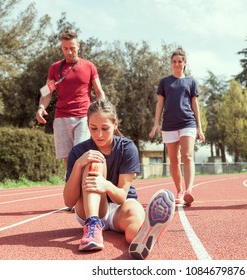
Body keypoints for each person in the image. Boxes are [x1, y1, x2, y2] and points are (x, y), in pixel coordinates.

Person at [64, 99, 175, 259]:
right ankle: (93, 225)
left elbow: (122, 196)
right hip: (90, 210)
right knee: (95, 160)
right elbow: (68, 202)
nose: (99, 134)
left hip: (120, 205)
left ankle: (143, 237)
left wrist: (106, 185)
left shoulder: (127, 148)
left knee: (135, 221)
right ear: (87, 125)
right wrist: (78, 165)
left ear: (115, 125)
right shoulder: (79, 151)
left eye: (105, 128)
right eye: (93, 128)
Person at [36, 29, 105, 169]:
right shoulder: (54, 68)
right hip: (61, 118)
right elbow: (46, 92)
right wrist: (41, 108)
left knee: (81, 155)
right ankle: (71, 187)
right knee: (68, 160)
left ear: (78, 46)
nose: (69, 52)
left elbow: (99, 92)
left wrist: (102, 112)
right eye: (65, 48)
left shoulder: (89, 66)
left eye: (72, 48)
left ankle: (82, 187)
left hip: (82, 117)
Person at [149, 47, 205, 207]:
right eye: (174, 61)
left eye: (180, 61)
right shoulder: (165, 82)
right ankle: (179, 190)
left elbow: (195, 104)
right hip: (169, 125)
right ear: (171, 63)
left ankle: (189, 190)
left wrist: (199, 128)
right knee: (174, 159)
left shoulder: (191, 81)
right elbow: (160, 104)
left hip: (188, 122)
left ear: (185, 63)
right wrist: (156, 124)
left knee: (187, 156)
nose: (177, 64)